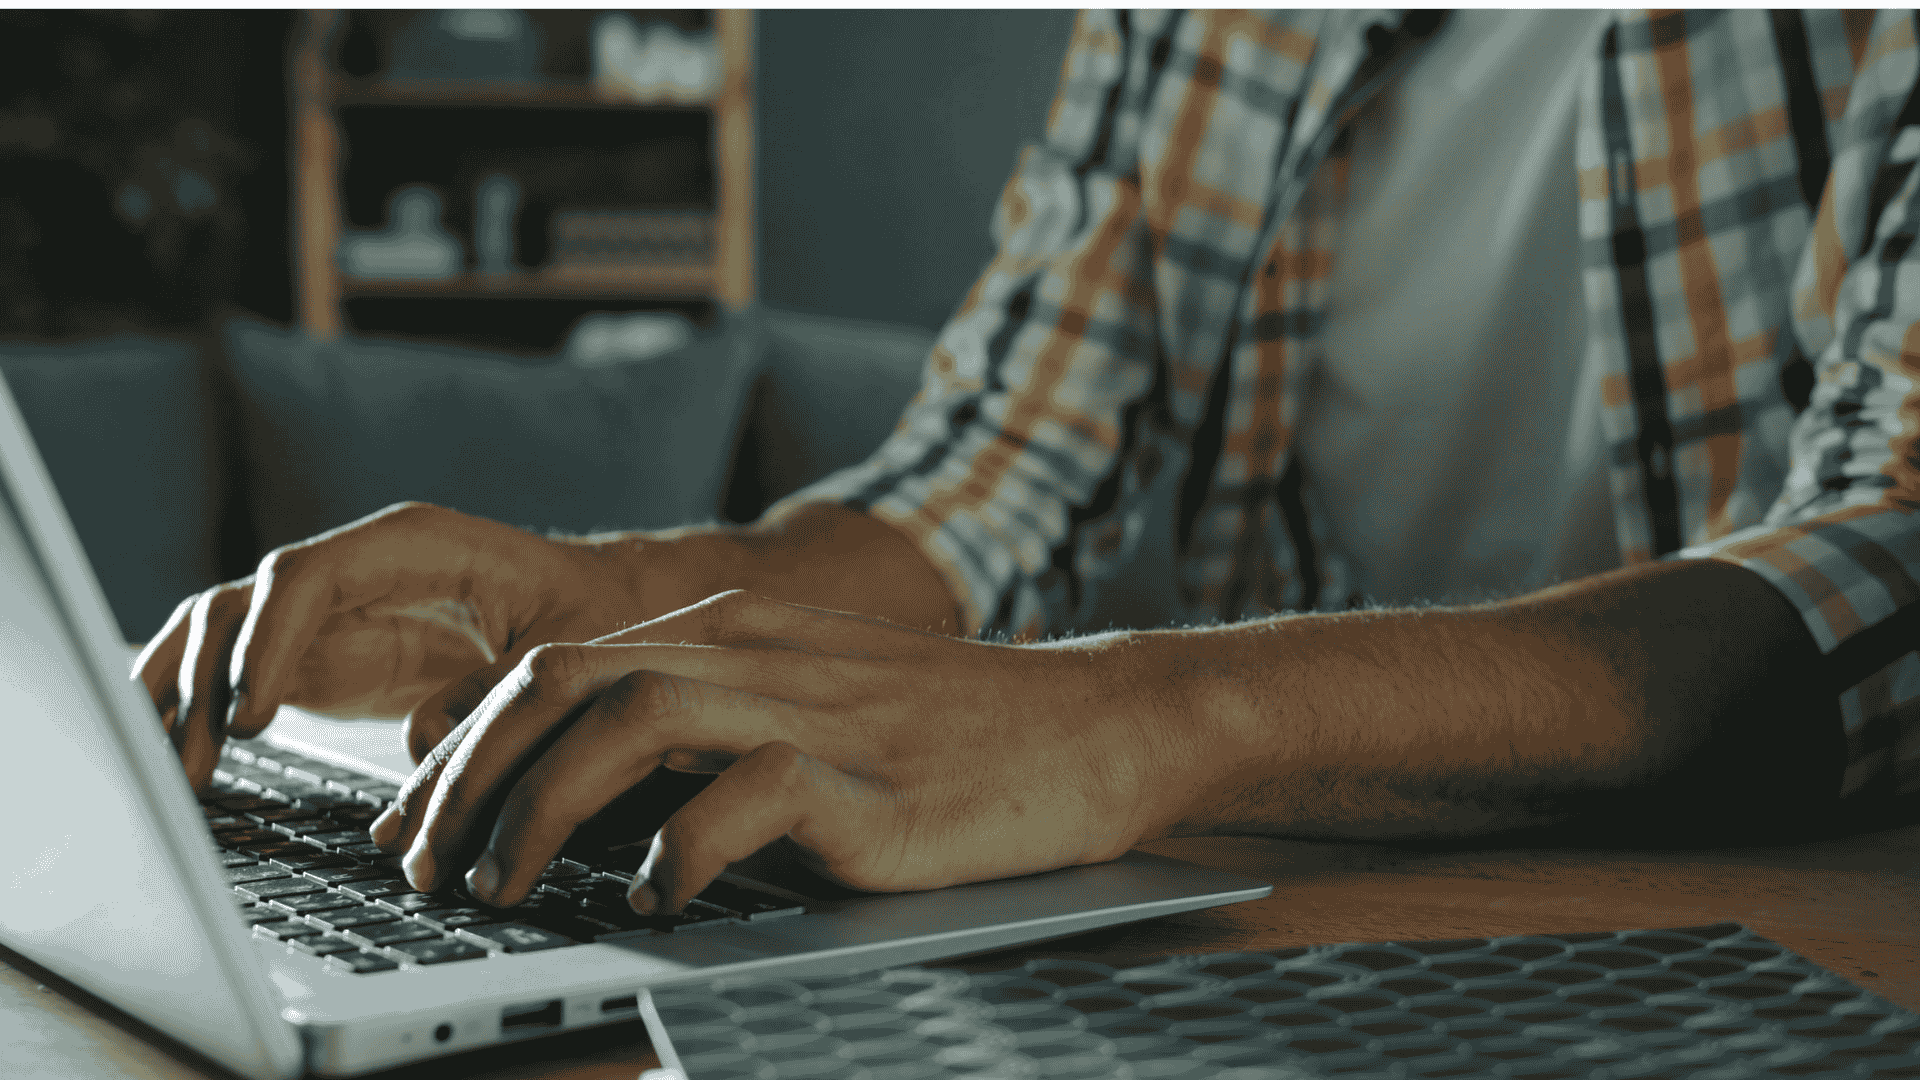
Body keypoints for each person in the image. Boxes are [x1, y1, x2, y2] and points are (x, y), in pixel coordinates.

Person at [137, 10, 1920, 920]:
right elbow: (995, 474)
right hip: (1279, 912)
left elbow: (1888, 560)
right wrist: (606, 602)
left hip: (1771, 935)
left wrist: (1134, 718)